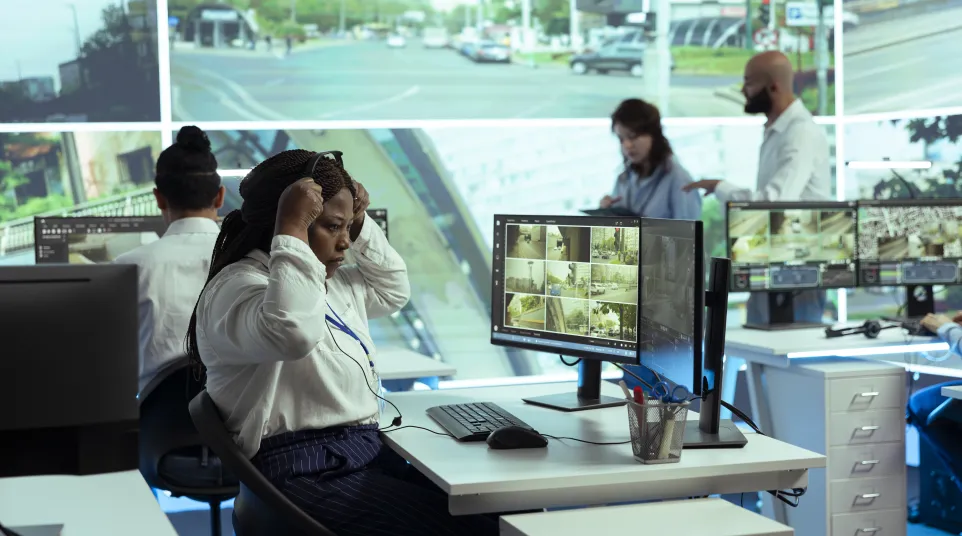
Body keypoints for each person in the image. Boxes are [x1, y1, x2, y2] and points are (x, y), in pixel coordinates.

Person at [184, 149, 498, 536]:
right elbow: (292, 332)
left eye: (349, 227)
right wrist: (292, 230)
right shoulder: (236, 289)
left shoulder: (326, 282)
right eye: (333, 227)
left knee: (490, 513)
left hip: (356, 457)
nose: (346, 242)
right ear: (286, 226)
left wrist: (360, 222)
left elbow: (392, 291)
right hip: (308, 476)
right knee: (479, 531)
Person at [683, 51, 832, 325]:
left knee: (789, 361)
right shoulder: (778, 129)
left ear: (773, 86)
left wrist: (720, 187)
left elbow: (773, 202)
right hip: (775, 262)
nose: (743, 90)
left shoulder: (800, 133)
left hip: (796, 271)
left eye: (749, 83)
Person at [115, 126, 223, 394]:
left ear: (159, 199)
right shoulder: (254, 258)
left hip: (154, 425)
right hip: (242, 424)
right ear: (220, 196)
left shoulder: (125, 269)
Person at [599, 98, 702, 220]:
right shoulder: (624, 179)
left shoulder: (679, 180)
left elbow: (689, 235)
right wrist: (606, 212)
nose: (627, 145)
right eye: (621, 139)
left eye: (632, 137)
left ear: (653, 135)